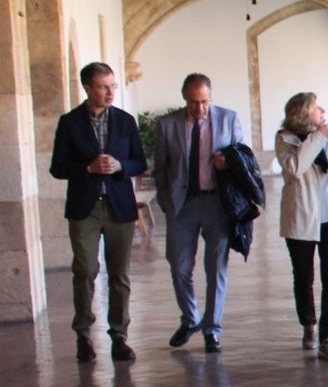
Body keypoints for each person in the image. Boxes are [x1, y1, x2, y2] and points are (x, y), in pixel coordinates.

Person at [50, 63, 147, 364]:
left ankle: (119, 336)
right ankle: (83, 335)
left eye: (113, 86)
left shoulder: (125, 121)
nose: (110, 92)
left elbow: (140, 162)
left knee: (119, 274)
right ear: (88, 88)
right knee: (85, 270)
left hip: (119, 205)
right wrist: (87, 168)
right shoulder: (70, 122)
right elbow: (57, 167)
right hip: (85, 207)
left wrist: (120, 166)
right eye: (103, 87)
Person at [153, 73, 242, 353]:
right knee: (179, 267)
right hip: (183, 205)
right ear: (184, 98)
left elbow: (244, 159)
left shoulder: (228, 119)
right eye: (193, 102)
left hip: (218, 203)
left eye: (204, 101)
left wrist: (228, 163)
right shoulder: (167, 125)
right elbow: (160, 167)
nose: (199, 108)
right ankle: (190, 318)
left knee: (216, 268)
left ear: (210, 97)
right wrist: (166, 202)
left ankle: (212, 329)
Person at [275, 92, 328, 361]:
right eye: (317, 108)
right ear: (304, 113)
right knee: (304, 276)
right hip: (302, 216)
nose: (323, 110)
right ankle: (308, 323)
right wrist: (317, 137)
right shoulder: (285, 140)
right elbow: (296, 168)